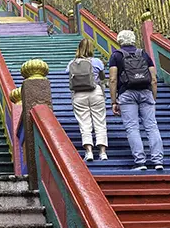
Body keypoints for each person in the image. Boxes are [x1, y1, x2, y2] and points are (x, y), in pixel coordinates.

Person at [109, 29, 163, 171]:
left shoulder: (116, 56)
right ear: (133, 39)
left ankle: (140, 162)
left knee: (132, 127)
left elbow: (113, 79)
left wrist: (114, 101)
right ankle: (158, 161)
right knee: (152, 126)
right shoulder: (143, 54)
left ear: (119, 40)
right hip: (146, 92)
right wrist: (153, 98)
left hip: (126, 93)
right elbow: (154, 79)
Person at [65, 39, 108, 162]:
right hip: (95, 92)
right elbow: (102, 77)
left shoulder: (72, 62)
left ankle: (89, 151)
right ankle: (102, 152)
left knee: (84, 123)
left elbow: (68, 73)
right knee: (100, 122)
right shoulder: (97, 62)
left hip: (79, 94)